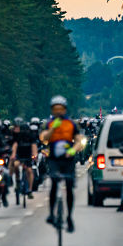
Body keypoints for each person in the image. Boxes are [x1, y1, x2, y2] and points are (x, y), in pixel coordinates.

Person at [40, 96, 82, 233]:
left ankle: (69, 217)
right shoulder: (48, 123)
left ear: (65, 110)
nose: (58, 112)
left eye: (61, 109)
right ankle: (52, 214)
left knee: (69, 186)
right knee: (54, 181)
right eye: (55, 109)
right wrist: (53, 129)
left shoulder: (71, 124)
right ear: (52, 110)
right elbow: (44, 138)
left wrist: (73, 150)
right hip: (54, 159)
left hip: (67, 159)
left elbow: (78, 141)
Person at [10, 122, 37, 198]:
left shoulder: (31, 136)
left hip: (28, 156)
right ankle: (18, 180)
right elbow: (15, 145)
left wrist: (35, 154)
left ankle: (30, 189)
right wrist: (13, 154)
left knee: (29, 171)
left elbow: (34, 145)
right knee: (16, 165)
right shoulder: (18, 136)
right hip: (19, 156)